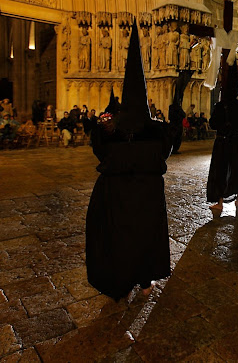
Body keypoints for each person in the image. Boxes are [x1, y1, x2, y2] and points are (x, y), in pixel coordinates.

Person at [86, 22, 172, 300]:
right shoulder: (156, 131)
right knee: (145, 233)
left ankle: (120, 281)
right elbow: (165, 152)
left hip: (115, 194)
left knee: (117, 234)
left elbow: (99, 151)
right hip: (147, 193)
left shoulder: (110, 133)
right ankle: (145, 281)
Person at [206, 62, 238, 219]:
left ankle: (220, 202)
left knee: (221, 170)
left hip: (222, 142)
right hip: (236, 142)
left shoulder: (219, 106)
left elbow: (212, 124)